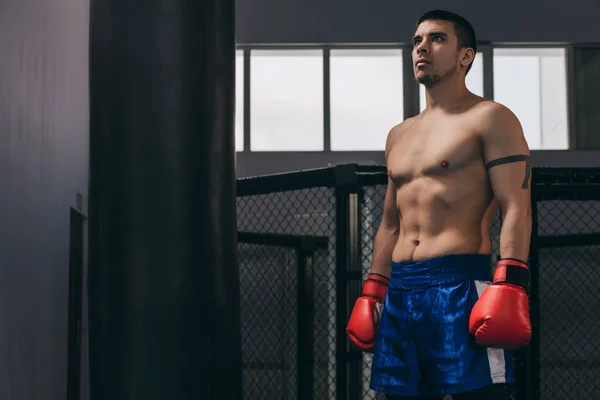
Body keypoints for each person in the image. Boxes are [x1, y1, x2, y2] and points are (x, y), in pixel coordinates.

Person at [346, 9, 532, 400]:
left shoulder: (490, 118)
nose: (422, 48)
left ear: (465, 56)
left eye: (436, 39)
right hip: (401, 290)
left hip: (460, 284)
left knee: (478, 395)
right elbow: (390, 224)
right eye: (417, 41)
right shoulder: (399, 135)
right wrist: (373, 290)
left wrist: (510, 281)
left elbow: (515, 205)